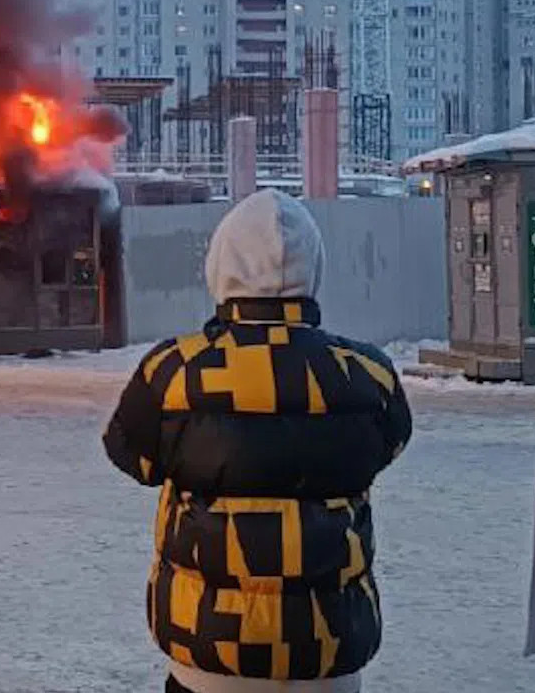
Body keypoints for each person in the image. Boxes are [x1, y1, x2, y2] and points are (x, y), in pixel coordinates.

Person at [104, 190, 413, 693]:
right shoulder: (367, 374)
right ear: (315, 270)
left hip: (208, 653)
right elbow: (389, 446)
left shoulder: (174, 372)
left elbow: (130, 455)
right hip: (326, 654)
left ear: (220, 267)